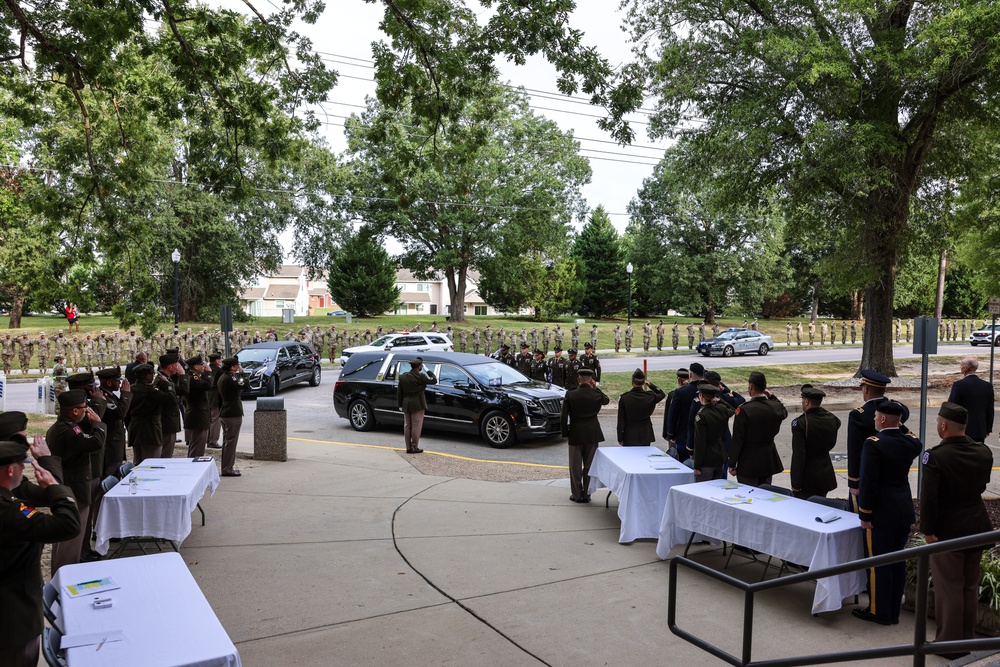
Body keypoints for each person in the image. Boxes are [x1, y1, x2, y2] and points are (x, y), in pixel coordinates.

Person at [0, 435, 80, 667]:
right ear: (10, 471)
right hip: (14, 620)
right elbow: (68, 525)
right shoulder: (12, 511)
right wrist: (55, 488)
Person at [920, 402, 993, 655]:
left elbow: (929, 498)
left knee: (949, 587)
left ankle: (949, 645)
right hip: (977, 525)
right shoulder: (983, 451)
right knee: (969, 587)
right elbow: (982, 485)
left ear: (943, 425)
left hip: (947, 530)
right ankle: (966, 638)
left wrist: (927, 530)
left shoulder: (936, 456)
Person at [853, 400, 921, 626]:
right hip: (902, 509)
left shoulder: (873, 444)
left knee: (877, 563)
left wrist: (865, 514)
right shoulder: (910, 443)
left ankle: (878, 611)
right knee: (897, 561)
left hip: (880, 512)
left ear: (882, 419)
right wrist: (897, 423)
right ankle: (893, 610)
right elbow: (912, 437)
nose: (873, 419)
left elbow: (869, 484)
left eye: (876, 416)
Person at [46, 389, 107, 575]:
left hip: (73, 485)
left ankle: (68, 566)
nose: (86, 410)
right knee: (72, 534)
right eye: (84, 407)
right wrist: (98, 425)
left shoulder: (66, 426)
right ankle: (66, 571)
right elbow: (93, 443)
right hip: (74, 486)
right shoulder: (69, 429)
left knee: (73, 532)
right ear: (74, 411)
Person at [847, 370, 910, 513]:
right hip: (892, 475)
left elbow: (854, 450)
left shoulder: (858, 415)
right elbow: (904, 411)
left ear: (866, 389)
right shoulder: (897, 410)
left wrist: (854, 482)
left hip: (868, 475)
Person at [727, 371, 787, 486]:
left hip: (748, 461)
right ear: (765, 388)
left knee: (749, 497)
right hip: (768, 459)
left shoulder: (744, 410)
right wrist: (772, 396)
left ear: (751, 386)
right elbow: (784, 412)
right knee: (766, 494)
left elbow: (737, 439)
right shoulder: (776, 407)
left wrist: (732, 463)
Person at [560, 368, 609, 503]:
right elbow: (606, 400)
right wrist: (596, 388)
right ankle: (587, 494)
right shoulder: (596, 394)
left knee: (575, 467)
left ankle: (577, 495)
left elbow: (564, 416)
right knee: (589, 466)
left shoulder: (571, 394)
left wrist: (565, 432)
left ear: (578, 379)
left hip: (576, 433)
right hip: (592, 433)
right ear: (591, 380)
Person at [789, 385, 840, 499]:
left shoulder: (801, 423)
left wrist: (796, 483)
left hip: (807, 478)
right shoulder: (832, 419)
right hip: (825, 474)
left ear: (806, 401)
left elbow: (799, 455)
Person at [691, 382, 735, 481]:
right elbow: (732, 409)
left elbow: (700, 442)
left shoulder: (701, 415)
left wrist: (697, 466)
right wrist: (720, 401)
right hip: (719, 456)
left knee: (703, 491)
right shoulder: (721, 409)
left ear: (701, 396)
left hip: (707, 460)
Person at [948, 356, 995, 443]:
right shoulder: (987, 386)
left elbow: (952, 406)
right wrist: (988, 428)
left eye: (961, 366)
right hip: (980, 429)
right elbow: (990, 409)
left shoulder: (959, 385)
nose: (960, 368)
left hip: (962, 429)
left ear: (966, 368)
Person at [665, 362, 705, 463]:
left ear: (690, 375)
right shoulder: (708, 391)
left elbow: (673, 415)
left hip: (684, 437)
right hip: (704, 438)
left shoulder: (681, 392)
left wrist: (671, 434)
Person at [97, 367, 132, 478]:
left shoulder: (111, 396)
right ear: (109, 382)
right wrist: (125, 395)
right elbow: (120, 413)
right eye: (118, 381)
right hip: (110, 447)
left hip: (115, 446)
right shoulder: (103, 398)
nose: (120, 383)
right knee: (110, 477)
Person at [396, 357, 437, 454]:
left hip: (406, 403)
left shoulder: (403, 376)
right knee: (416, 426)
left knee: (407, 426)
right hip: (418, 403)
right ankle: (414, 447)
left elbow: (399, 392)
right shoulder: (421, 376)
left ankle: (408, 447)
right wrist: (428, 371)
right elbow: (434, 380)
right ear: (419, 367)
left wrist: (400, 404)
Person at [616, 369, 665, 446]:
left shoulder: (625, 398)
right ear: (643, 383)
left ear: (632, 382)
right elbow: (661, 394)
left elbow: (621, 420)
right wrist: (650, 384)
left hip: (629, 435)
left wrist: (620, 437)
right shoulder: (650, 396)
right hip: (645, 433)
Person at [216, 357, 245, 476]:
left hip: (226, 412)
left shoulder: (223, 377)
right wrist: (243, 374)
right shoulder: (230, 378)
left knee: (228, 441)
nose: (238, 367)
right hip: (232, 413)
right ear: (232, 367)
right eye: (237, 365)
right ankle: (227, 468)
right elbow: (244, 385)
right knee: (231, 442)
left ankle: (227, 467)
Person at [157, 353, 189, 459]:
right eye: (176, 365)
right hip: (166, 421)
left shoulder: (166, 378)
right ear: (170, 367)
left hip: (168, 421)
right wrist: (183, 374)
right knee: (165, 453)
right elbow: (183, 390)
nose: (178, 368)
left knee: (167, 452)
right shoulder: (162, 380)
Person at [183, 356, 214, 457]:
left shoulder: (195, 376)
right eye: (202, 365)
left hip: (199, 414)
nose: (204, 366)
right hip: (197, 415)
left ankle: (194, 466)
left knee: (198, 444)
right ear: (196, 367)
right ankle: (194, 467)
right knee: (198, 446)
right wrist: (209, 373)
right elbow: (207, 386)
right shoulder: (193, 378)